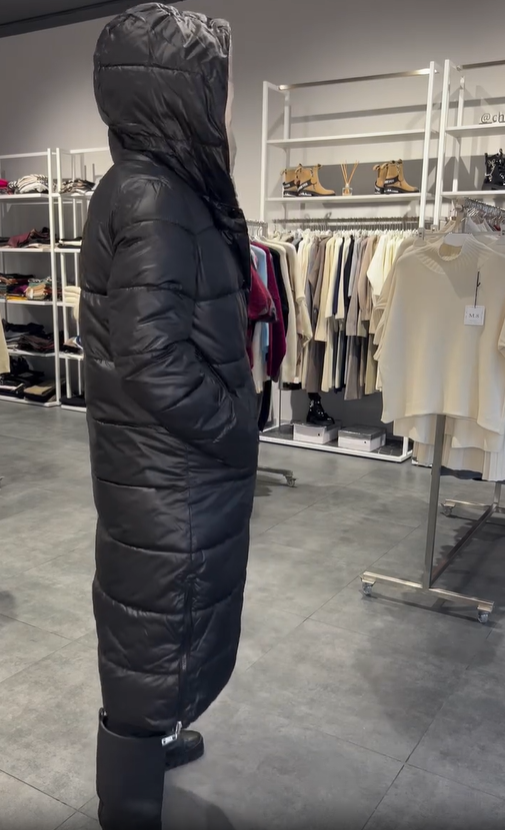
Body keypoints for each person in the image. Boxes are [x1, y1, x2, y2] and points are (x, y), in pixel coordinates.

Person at [79, 4, 259, 828]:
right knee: (156, 620)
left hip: (165, 465)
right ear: (178, 92)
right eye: (218, 85)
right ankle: (127, 795)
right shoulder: (154, 195)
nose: (226, 103)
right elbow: (152, 357)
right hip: (172, 468)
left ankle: (154, 735)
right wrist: (232, 423)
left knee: (166, 618)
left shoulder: (159, 186)